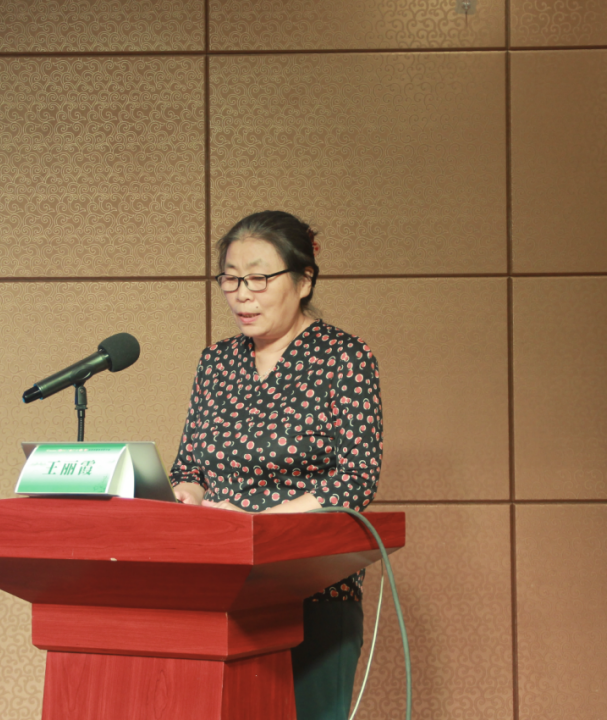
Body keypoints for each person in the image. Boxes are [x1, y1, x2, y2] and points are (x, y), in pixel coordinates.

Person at [169, 210, 383, 720]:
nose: (242, 295)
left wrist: (260, 524)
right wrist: (185, 497)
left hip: (312, 590)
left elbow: (355, 478)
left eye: (259, 278)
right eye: (230, 279)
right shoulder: (216, 362)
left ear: (304, 280)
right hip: (222, 591)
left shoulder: (345, 358)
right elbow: (189, 468)